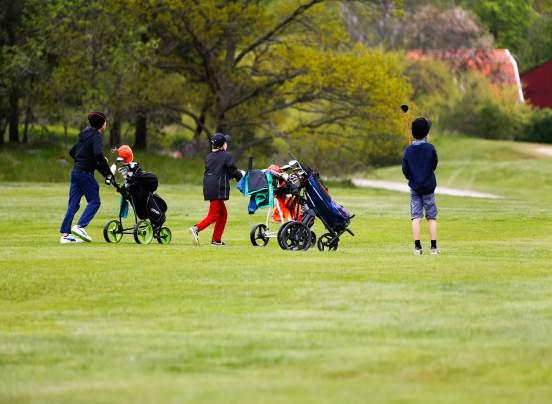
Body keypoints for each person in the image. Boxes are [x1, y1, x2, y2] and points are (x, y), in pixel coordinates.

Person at [59, 111, 113, 243]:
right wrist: (107, 173)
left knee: (73, 203)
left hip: (76, 172)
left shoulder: (85, 134)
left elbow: (73, 152)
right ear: (102, 124)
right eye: (105, 121)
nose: (106, 124)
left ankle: (66, 235)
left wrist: (87, 160)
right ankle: (79, 226)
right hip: (85, 174)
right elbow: (98, 155)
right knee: (95, 201)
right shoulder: (96, 137)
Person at [189, 133, 243, 246]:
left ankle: (216, 240)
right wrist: (241, 177)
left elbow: (221, 172)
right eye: (225, 142)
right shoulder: (226, 156)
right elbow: (232, 170)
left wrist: (233, 175)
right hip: (218, 188)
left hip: (209, 187)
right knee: (213, 215)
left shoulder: (209, 156)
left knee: (223, 214)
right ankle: (196, 229)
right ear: (222, 145)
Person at [402, 117, 439, 255]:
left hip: (415, 188)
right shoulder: (430, 148)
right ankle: (434, 248)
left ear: (413, 133)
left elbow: (405, 169)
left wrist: (410, 177)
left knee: (416, 217)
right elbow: (434, 164)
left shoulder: (409, 150)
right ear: (426, 133)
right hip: (429, 188)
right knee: (431, 217)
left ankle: (417, 248)